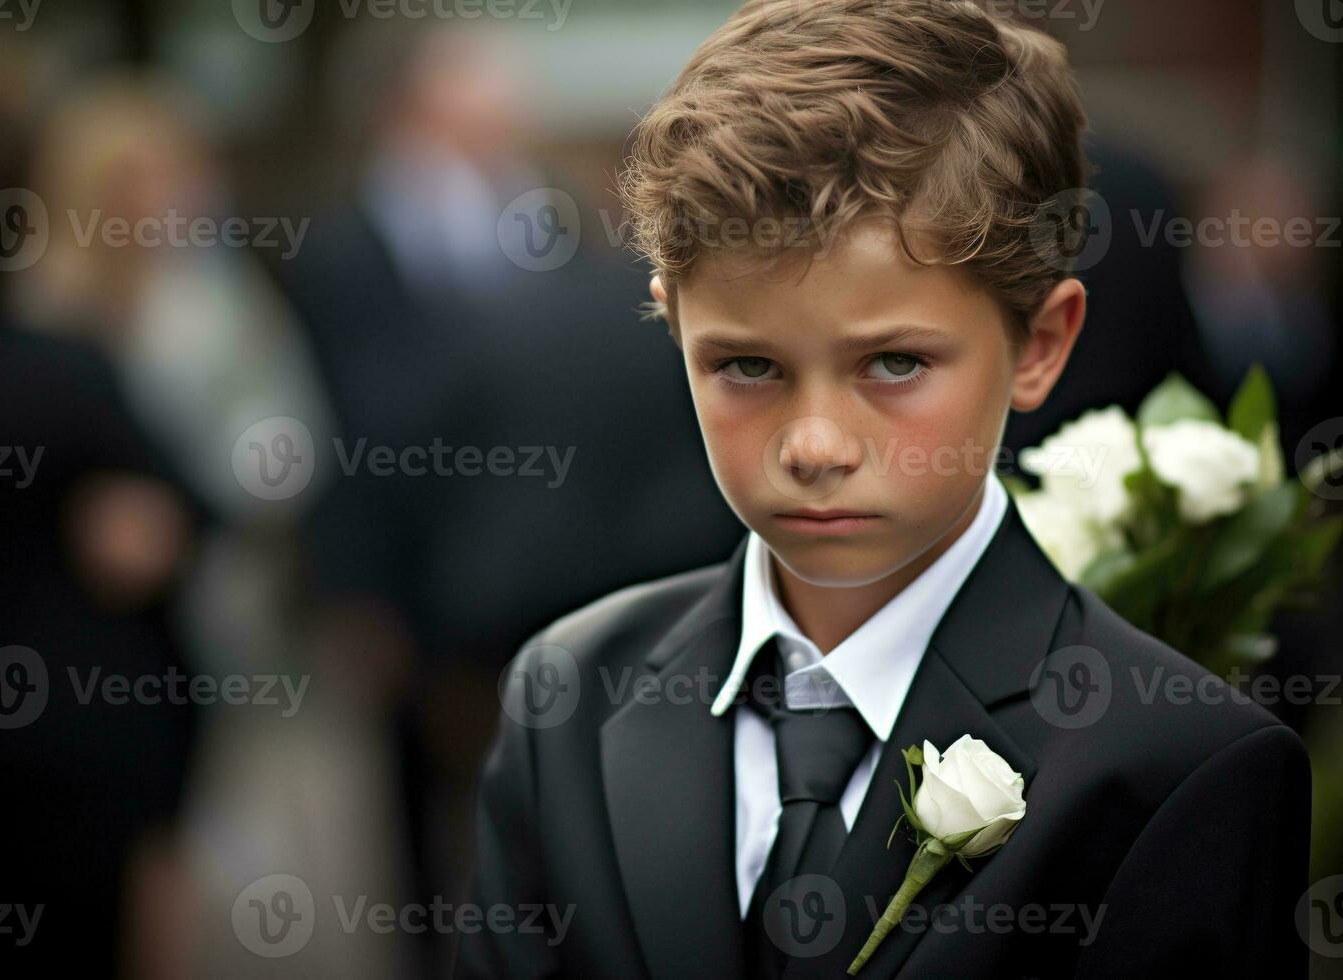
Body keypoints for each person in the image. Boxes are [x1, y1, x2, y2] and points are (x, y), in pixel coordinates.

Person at [454, 2, 1311, 978]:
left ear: (1039, 343)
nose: (815, 444)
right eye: (745, 366)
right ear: (673, 321)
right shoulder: (567, 695)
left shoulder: (1179, 764)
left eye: (894, 363)